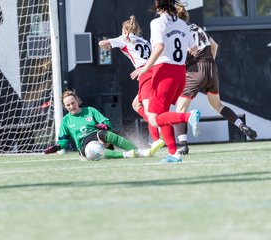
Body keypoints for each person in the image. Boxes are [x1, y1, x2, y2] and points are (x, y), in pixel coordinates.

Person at [174, 5, 257, 155]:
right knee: (217, 105)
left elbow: (184, 53)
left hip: (196, 70)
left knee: (180, 109)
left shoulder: (178, 31)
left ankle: (183, 145)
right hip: (211, 68)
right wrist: (209, 63)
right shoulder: (196, 27)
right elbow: (215, 45)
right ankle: (241, 126)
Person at [130, 0, 199, 163]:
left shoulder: (157, 22)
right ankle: (173, 153)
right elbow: (194, 49)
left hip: (164, 72)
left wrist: (144, 68)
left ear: (158, 5)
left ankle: (188, 116)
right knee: (163, 115)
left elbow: (159, 47)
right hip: (180, 72)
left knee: (153, 118)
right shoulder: (183, 24)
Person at [98, 15, 164, 155]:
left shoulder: (124, 39)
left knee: (148, 109)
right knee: (136, 104)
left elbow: (101, 44)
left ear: (124, 29)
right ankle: (156, 126)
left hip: (145, 73)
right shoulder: (145, 41)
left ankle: (157, 136)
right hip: (155, 71)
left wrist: (109, 46)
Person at [44, 90, 153, 160]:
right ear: (65, 106)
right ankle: (127, 155)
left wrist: (104, 126)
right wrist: (57, 147)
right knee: (93, 149)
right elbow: (63, 140)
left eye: (73, 103)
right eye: (68, 105)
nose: (71, 106)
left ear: (77, 100)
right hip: (84, 145)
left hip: (98, 137)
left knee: (103, 133)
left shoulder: (90, 110)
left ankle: (138, 151)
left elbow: (106, 122)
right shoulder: (65, 120)